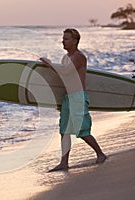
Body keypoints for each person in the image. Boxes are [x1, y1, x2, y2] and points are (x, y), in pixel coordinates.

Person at [40, 28, 106, 172]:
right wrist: (60, 101)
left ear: (75, 41)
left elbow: (66, 71)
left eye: (66, 39)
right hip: (68, 98)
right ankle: (64, 162)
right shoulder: (66, 57)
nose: (63, 41)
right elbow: (63, 79)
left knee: (82, 130)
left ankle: (100, 154)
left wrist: (49, 64)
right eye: (63, 38)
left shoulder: (79, 57)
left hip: (78, 97)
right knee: (64, 130)